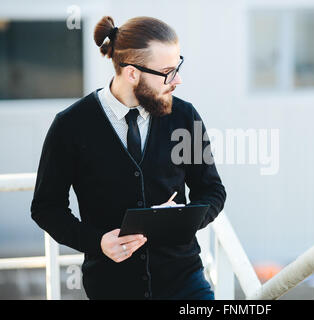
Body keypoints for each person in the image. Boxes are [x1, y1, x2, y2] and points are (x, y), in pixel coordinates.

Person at [30, 15, 226, 300]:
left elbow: (212, 190)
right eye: (168, 71)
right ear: (132, 73)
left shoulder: (185, 117)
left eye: (178, 66)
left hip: (186, 282)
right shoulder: (70, 126)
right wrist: (97, 242)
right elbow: (46, 208)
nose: (178, 80)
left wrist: (183, 219)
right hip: (110, 288)